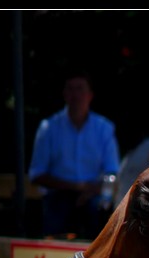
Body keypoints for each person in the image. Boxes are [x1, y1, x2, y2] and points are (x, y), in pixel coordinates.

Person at [28, 69, 120, 239]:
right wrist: (75, 187)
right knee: (58, 207)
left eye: (80, 88)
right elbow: (36, 174)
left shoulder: (104, 128)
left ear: (90, 95)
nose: (75, 94)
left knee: (100, 211)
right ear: (64, 94)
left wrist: (89, 191)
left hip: (93, 195)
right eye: (70, 88)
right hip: (58, 196)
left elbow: (112, 172)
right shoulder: (48, 128)